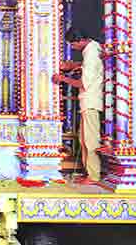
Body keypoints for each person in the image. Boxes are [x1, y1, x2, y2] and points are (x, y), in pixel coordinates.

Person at [52, 29, 103, 185]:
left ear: (80, 40)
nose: (73, 48)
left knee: (90, 140)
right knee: (84, 138)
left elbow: (82, 83)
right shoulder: (93, 48)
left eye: (73, 44)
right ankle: (90, 173)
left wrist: (62, 78)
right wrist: (74, 65)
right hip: (88, 102)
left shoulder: (91, 54)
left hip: (90, 102)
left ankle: (94, 176)